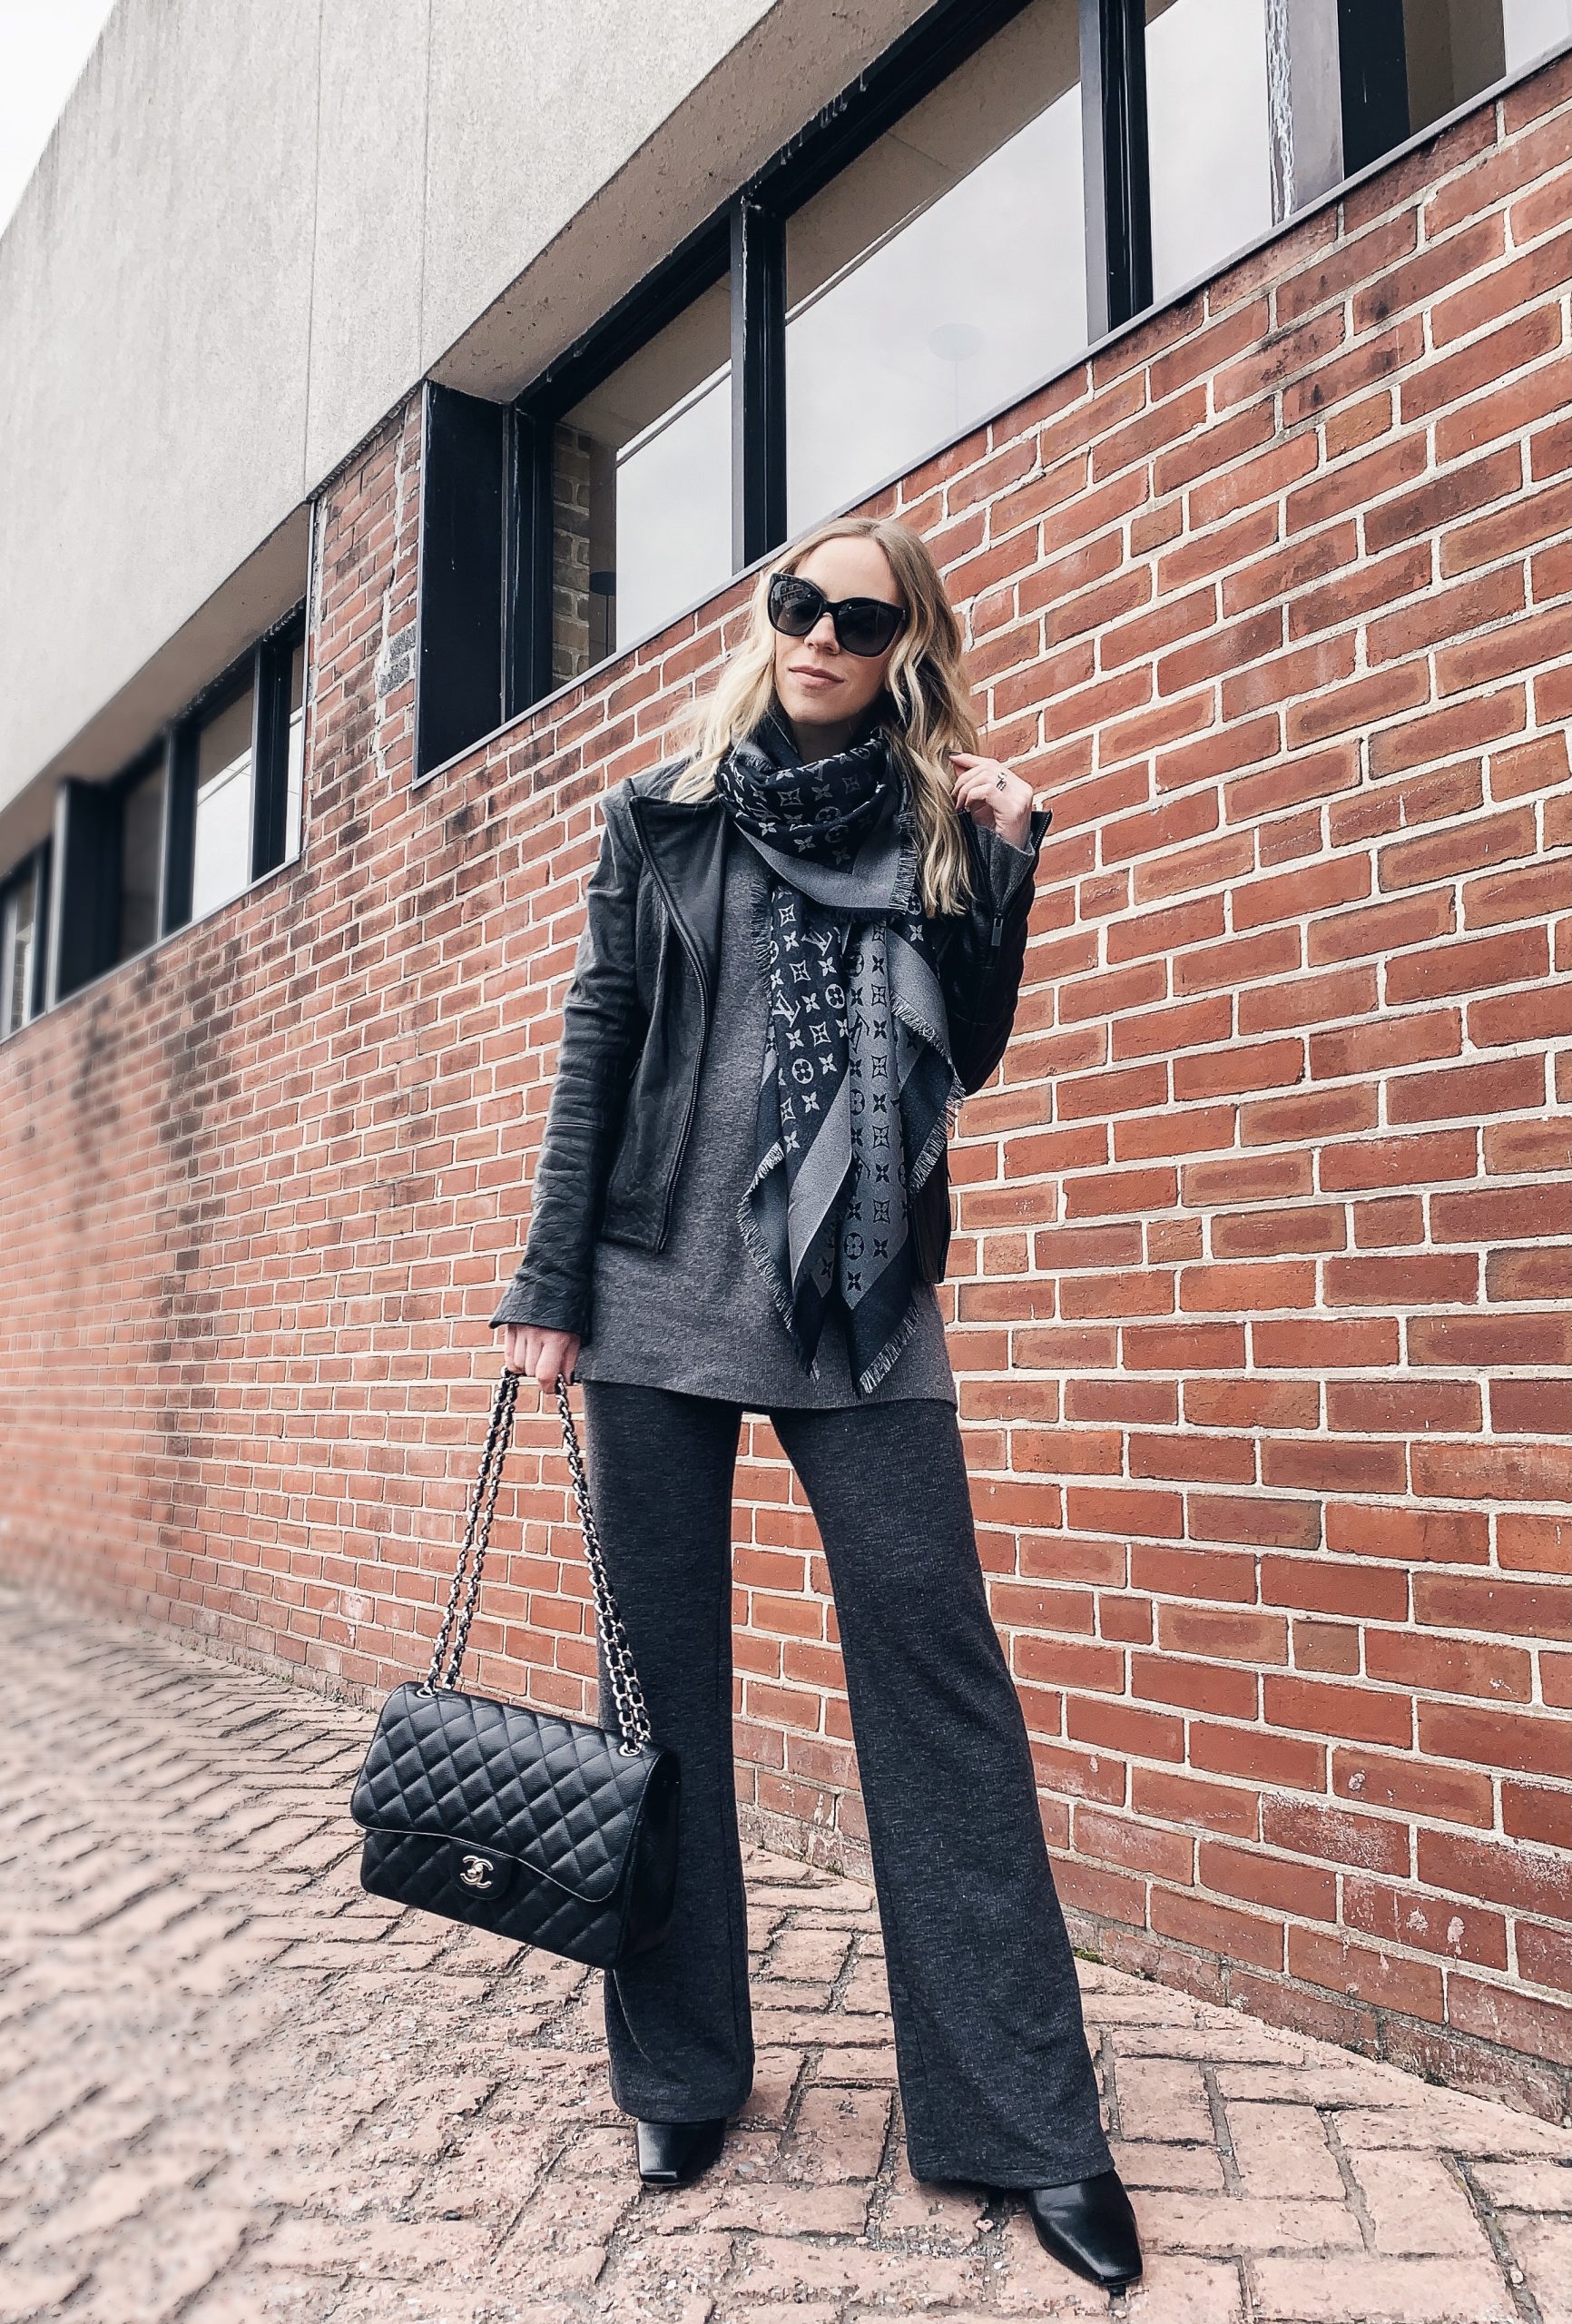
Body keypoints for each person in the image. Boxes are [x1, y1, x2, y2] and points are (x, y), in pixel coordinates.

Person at [488, 513, 1143, 2296]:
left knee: (936, 1668)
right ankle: (680, 2068)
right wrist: (548, 1286)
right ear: (763, 615)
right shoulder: (661, 816)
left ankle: (1021, 2122)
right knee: (661, 1686)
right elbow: (595, 1040)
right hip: (647, 1290)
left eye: (860, 618)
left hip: (855, 1295)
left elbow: (972, 1054)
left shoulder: (935, 824)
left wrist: (1007, 858)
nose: (822, 635)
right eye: (800, 602)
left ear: (900, 646)